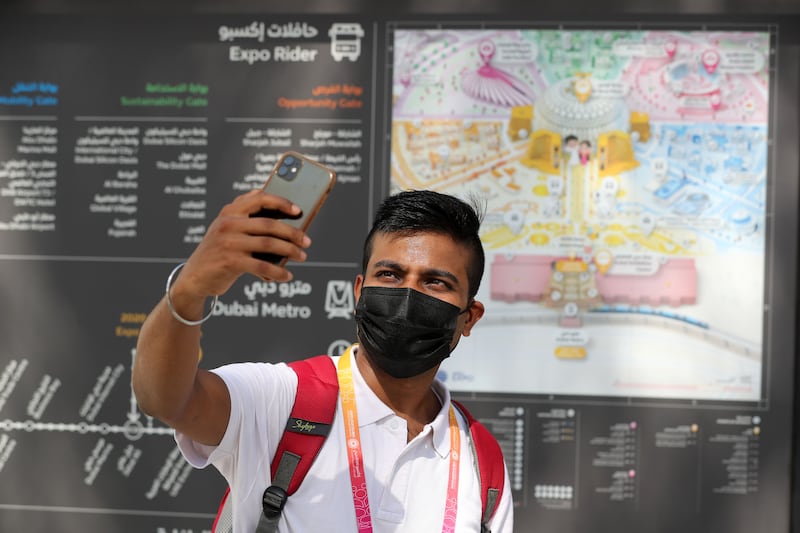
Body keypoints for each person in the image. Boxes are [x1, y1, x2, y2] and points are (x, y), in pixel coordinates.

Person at [132, 188, 514, 532]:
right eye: (390, 274)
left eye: (436, 282)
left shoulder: (481, 461)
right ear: (359, 292)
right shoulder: (286, 400)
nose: (409, 294)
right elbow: (164, 398)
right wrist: (189, 290)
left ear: (469, 318)